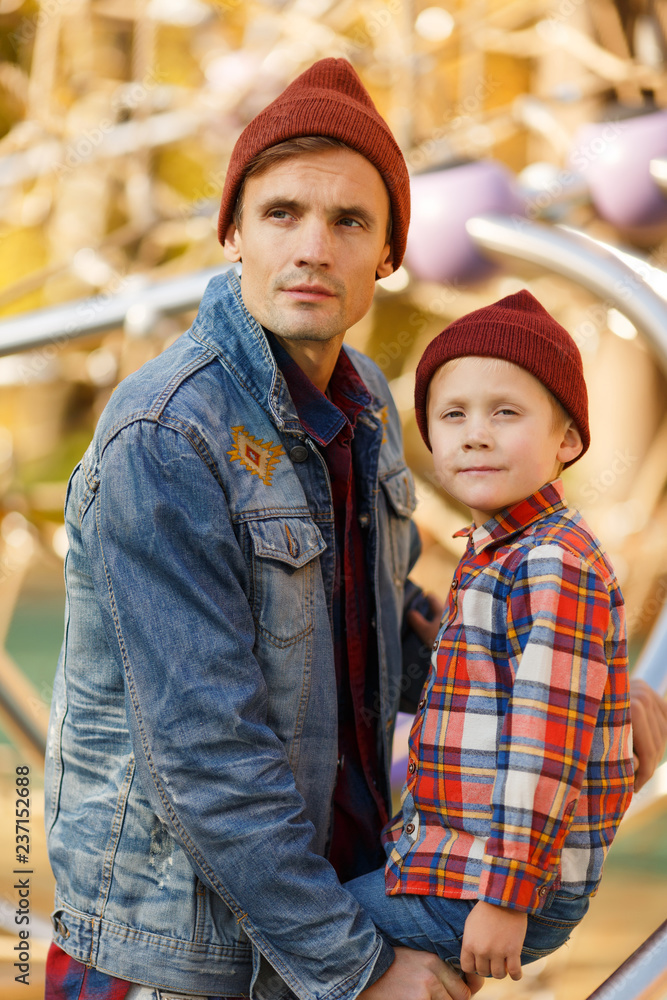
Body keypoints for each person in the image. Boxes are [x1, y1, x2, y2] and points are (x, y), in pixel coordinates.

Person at [43, 56, 666, 1000]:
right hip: (185, 952)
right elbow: (206, 757)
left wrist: (590, 704)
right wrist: (360, 968)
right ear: (234, 234)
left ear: (386, 255)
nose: (312, 248)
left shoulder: (369, 401)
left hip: (350, 887)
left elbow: (375, 624)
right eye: (282, 213)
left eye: (349, 222)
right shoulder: (165, 437)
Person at [347, 290, 636, 982]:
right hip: (466, 866)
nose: (474, 433)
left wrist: (505, 896)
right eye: (452, 415)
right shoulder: (501, 552)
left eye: (504, 413)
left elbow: (546, 740)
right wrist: (445, 639)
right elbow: (501, 679)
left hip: (499, 881)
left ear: (565, 439)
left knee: (297, 940)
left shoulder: (551, 563)